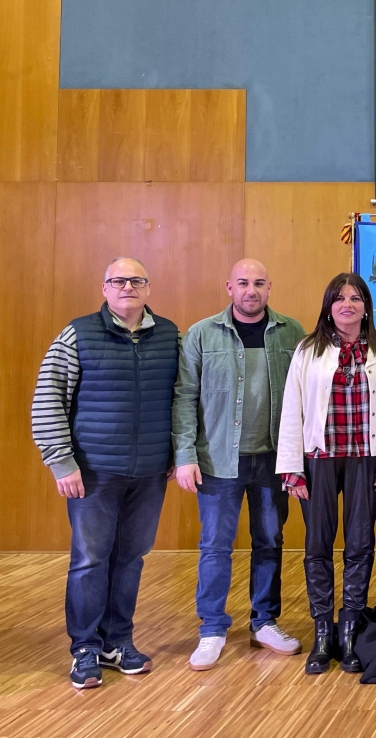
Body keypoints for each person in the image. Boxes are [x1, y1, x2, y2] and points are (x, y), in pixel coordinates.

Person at [31, 258, 179, 689]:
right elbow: (48, 399)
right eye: (118, 280)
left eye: (136, 280)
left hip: (150, 472)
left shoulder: (170, 336)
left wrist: (176, 451)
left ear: (148, 288)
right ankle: (84, 649)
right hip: (92, 472)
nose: (127, 286)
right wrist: (61, 461)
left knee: (130, 559)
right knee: (89, 561)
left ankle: (118, 641)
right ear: (105, 288)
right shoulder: (77, 334)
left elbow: (181, 400)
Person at [172, 259, 307, 670]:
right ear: (228, 286)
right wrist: (184, 456)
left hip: (273, 460)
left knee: (269, 541)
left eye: (260, 283)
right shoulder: (200, 334)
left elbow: (304, 396)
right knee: (215, 546)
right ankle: (212, 628)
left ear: (270, 288)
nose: (252, 290)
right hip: (217, 462)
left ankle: (264, 621)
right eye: (244, 283)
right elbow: (184, 398)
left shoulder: (293, 333)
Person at [277, 272, 376, 675]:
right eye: (339, 298)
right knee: (317, 544)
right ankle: (322, 631)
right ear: (328, 306)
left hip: (365, 458)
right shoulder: (308, 349)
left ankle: (349, 627)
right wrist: (291, 470)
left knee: (360, 543)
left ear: (366, 306)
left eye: (355, 298)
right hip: (318, 457)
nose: (347, 305)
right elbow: (292, 409)